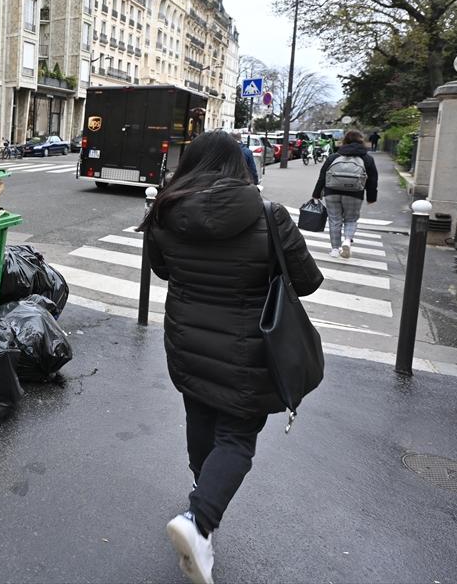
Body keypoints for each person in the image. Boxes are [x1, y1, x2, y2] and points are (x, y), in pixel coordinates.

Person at [141, 131, 323, 584]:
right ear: (239, 166)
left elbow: (160, 269)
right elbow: (307, 281)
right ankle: (199, 520)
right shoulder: (268, 215)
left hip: (187, 342)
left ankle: (203, 496)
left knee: (200, 419)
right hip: (248, 352)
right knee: (237, 439)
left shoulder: (164, 209)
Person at [312, 128, 378, 258]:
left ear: (345, 141)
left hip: (331, 192)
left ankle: (335, 249)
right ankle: (347, 240)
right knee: (351, 219)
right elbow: (373, 180)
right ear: (361, 141)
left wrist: (316, 193)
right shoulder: (367, 158)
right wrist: (371, 197)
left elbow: (322, 176)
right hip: (355, 193)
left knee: (334, 220)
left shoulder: (334, 156)